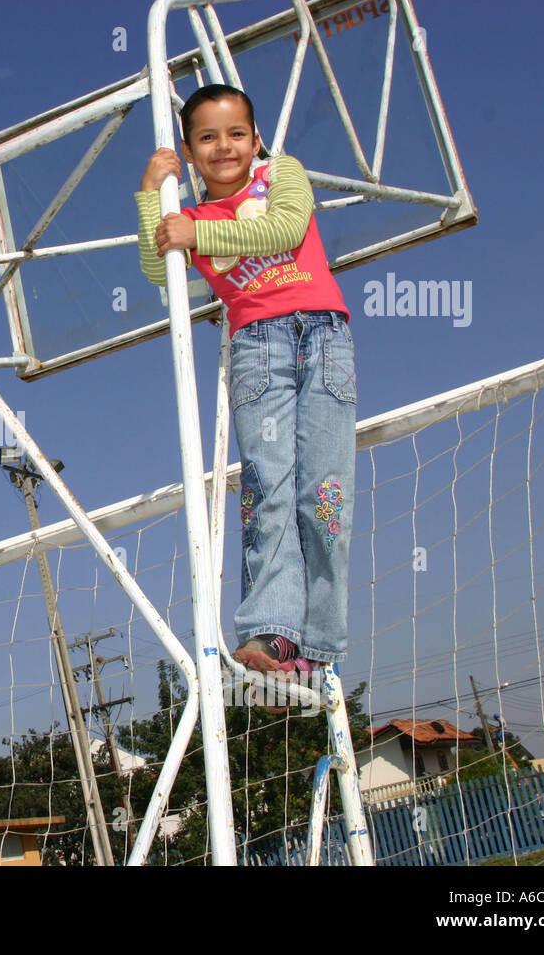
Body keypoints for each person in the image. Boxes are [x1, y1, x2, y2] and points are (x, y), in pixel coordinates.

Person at [136, 84, 357, 681]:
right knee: (268, 489)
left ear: (255, 138)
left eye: (236, 133)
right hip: (259, 347)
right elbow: (161, 272)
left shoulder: (283, 173)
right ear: (189, 149)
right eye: (207, 137)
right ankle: (270, 632)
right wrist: (151, 195)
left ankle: (321, 637)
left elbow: (284, 230)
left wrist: (193, 234)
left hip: (324, 339)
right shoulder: (191, 216)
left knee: (327, 495)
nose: (224, 146)